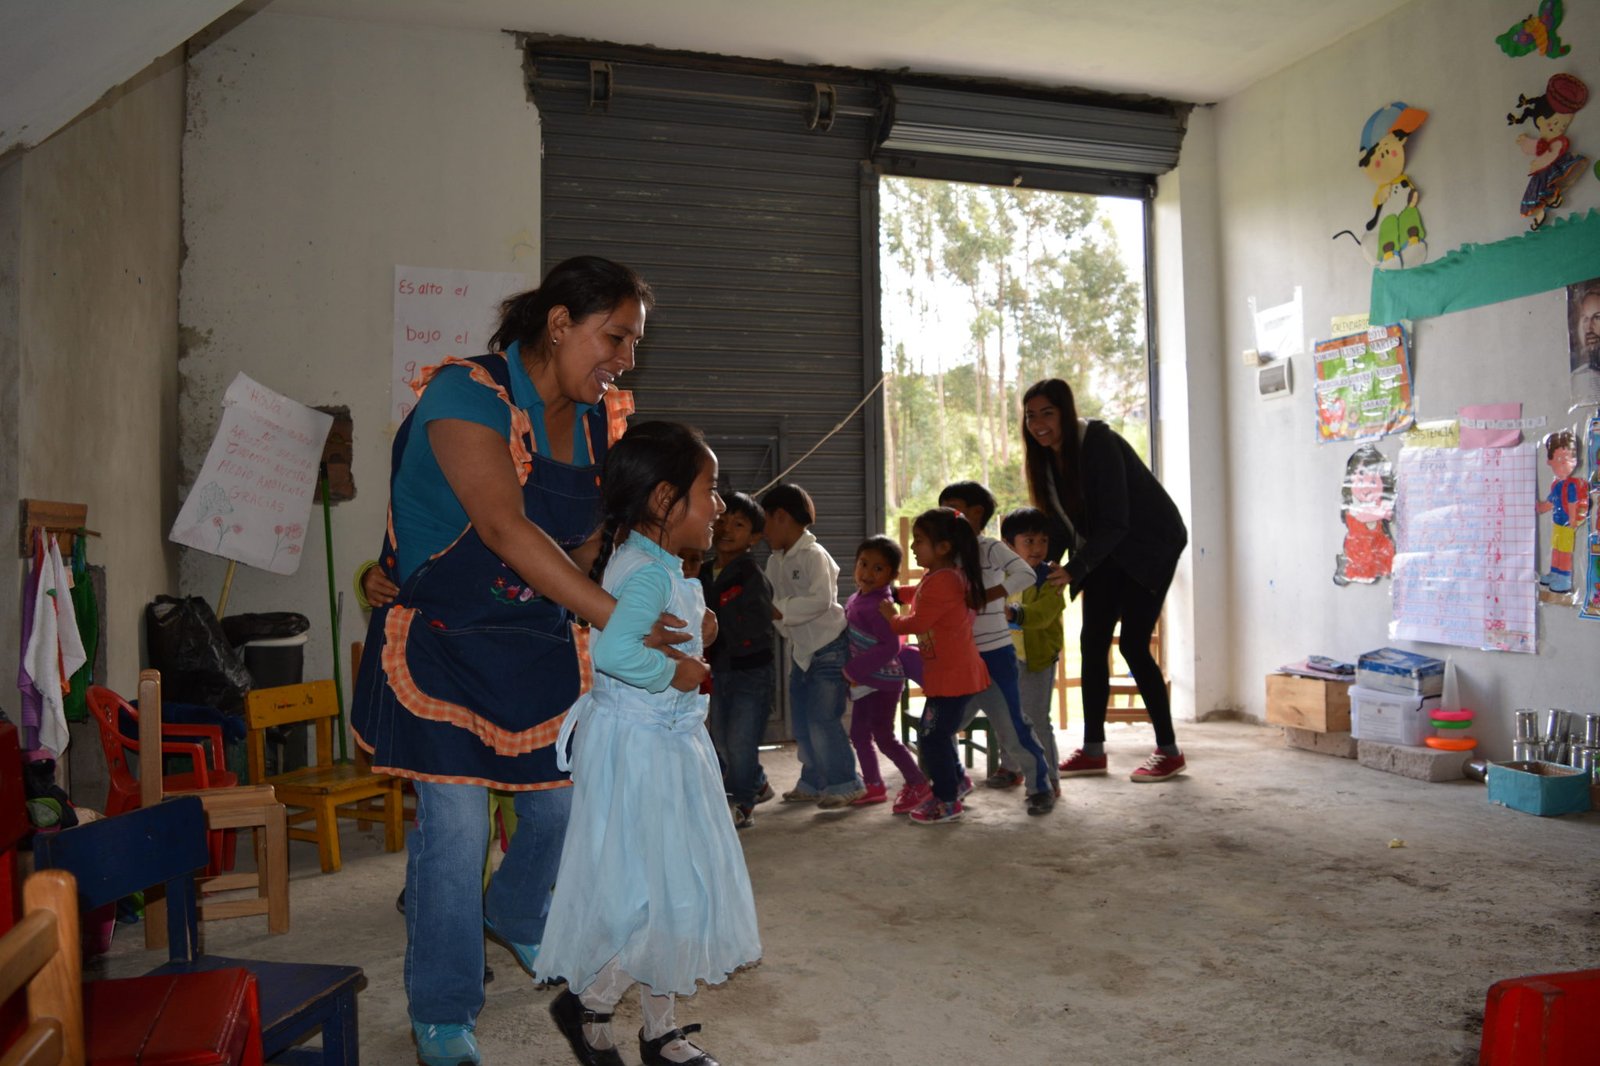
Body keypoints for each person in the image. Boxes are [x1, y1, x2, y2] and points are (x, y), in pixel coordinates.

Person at [350, 256, 683, 1066]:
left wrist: (648, 593)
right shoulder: (465, 394)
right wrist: (617, 621)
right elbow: (504, 528)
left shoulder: (600, 422)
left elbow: (587, 544)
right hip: (443, 643)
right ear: (560, 323)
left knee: (562, 812)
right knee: (458, 826)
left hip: (533, 641)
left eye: (634, 344)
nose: (626, 359)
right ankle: (443, 1006)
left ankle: (516, 911)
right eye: (615, 337)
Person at [538, 421, 759, 1066]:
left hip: (667, 747)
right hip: (644, 754)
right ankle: (592, 1005)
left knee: (676, 888)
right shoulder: (647, 574)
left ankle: (660, 1030)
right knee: (655, 892)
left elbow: (647, 630)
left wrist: (700, 627)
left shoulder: (657, 564)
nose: (718, 506)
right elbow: (614, 653)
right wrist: (674, 672)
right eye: (709, 491)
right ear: (665, 500)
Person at [1021, 378, 1189, 784]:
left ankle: (1169, 752)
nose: (1039, 424)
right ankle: (1093, 751)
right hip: (1105, 549)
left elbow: (1117, 520)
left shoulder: (1099, 443)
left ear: (1066, 413)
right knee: (1092, 643)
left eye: (1047, 413)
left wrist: (1076, 568)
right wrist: (1043, 567)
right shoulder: (1045, 460)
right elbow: (1062, 524)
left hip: (1149, 546)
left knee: (1133, 644)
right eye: (1031, 416)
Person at [938, 481, 1055, 816]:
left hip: (995, 656)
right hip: (959, 657)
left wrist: (988, 595)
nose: (946, 517)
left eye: (952, 510)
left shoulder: (988, 548)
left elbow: (1025, 574)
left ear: (976, 514)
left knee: (1013, 726)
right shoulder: (945, 553)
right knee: (943, 726)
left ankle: (1040, 787)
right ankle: (953, 782)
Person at [881, 507, 991, 825]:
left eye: (919, 540)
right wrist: (896, 593)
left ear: (943, 547)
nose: (912, 546)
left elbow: (917, 622)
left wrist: (892, 616)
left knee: (931, 737)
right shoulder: (940, 576)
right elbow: (920, 595)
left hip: (953, 677)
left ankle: (946, 801)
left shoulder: (944, 581)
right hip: (950, 674)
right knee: (937, 734)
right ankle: (956, 782)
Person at [761, 483, 865, 807]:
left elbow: (821, 600)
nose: (763, 531)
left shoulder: (814, 555)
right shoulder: (774, 561)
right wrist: (779, 617)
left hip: (829, 649)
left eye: (765, 522)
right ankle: (813, 780)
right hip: (801, 653)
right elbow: (771, 603)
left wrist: (780, 611)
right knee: (804, 722)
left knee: (823, 719)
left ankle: (846, 782)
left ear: (781, 516)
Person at [698, 491, 777, 828]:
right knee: (720, 739)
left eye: (739, 525)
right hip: (719, 671)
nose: (726, 529)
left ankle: (742, 802)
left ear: (754, 538)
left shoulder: (751, 576)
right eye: (722, 520)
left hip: (750, 672)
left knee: (741, 741)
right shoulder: (703, 571)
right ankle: (756, 782)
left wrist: (719, 632)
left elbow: (757, 624)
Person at [841, 535, 929, 813]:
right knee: (859, 734)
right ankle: (874, 785)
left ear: (892, 575)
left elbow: (891, 645)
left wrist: (853, 669)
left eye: (878, 568)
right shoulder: (858, 598)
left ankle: (918, 783)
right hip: (867, 680)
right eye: (863, 564)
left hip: (883, 682)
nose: (867, 573)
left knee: (883, 736)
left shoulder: (879, 605)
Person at [1001, 507, 1065, 798]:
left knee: (1037, 719)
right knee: (1006, 714)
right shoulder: (1001, 575)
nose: (1038, 548)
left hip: (1037, 660)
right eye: (1029, 541)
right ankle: (1011, 767)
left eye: (1043, 540)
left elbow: (1044, 613)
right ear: (1008, 545)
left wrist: (1015, 613)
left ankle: (1050, 778)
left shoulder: (1050, 578)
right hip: (1005, 658)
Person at [1535, 429, 1588, 594]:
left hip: (1566, 525)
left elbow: (1572, 503)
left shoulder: (1571, 485)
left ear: (1575, 460)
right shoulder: (1557, 485)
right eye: (1558, 459)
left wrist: (1572, 520)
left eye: (1567, 458)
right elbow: (1552, 502)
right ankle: (1555, 573)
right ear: (1549, 461)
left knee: (1565, 553)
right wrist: (1540, 507)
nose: (1563, 463)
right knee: (1556, 549)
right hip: (1558, 524)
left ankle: (1564, 579)